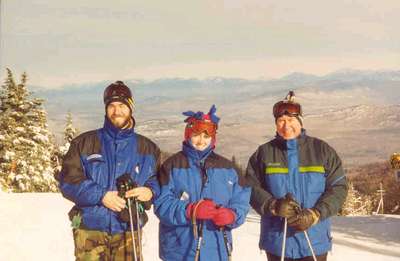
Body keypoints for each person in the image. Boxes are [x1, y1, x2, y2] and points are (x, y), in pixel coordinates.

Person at [55, 81, 160, 260]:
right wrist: (101, 195)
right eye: (111, 105)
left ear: (130, 108)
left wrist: (150, 191)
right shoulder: (84, 143)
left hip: (128, 229)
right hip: (90, 229)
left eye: (121, 105)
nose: (116, 111)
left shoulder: (148, 149)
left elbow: (158, 180)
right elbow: (68, 181)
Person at [245, 91, 348, 261]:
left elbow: (339, 187)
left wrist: (315, 214)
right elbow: (250, 186)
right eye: (281, 121)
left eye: (291, 120)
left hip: (314, 241)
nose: (286, 126)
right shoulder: (264, 153)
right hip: (277, 242)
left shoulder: (322, 151)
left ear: (300, 121)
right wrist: (273, 206)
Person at [154, 105, 251, 261]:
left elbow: (241, 201)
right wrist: (190, 210)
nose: (201, 141)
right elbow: (162, 205)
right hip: (180, 251)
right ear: (188, 134)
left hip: (217, 249)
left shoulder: (228, 169)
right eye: (196, 135)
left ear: (213, 139)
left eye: (206, 137)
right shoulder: (171, 166)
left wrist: (232, 215)